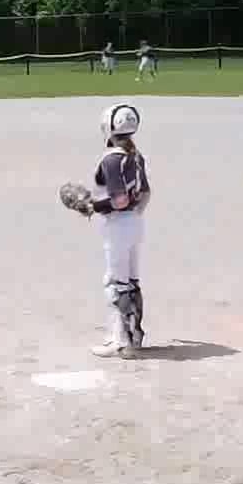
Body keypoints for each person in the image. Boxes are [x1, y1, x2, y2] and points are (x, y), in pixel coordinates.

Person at [89, 104, 150, 358]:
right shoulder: (136, 156)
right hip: (135, 223)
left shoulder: (111, 159)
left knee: (115, 283)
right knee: (131, 281)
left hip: (117, 225)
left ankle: (120, 341)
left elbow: (120, 200)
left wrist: (93, 206)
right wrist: (133, 217)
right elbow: (145, 193)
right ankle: (134, 336)